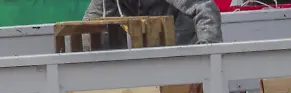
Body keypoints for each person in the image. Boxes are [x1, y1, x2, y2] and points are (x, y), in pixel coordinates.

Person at [84, 0, 223, 46]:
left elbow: (206, 10)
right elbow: (86, 30)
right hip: (147, 69)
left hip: (186, 61)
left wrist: (205, 62)